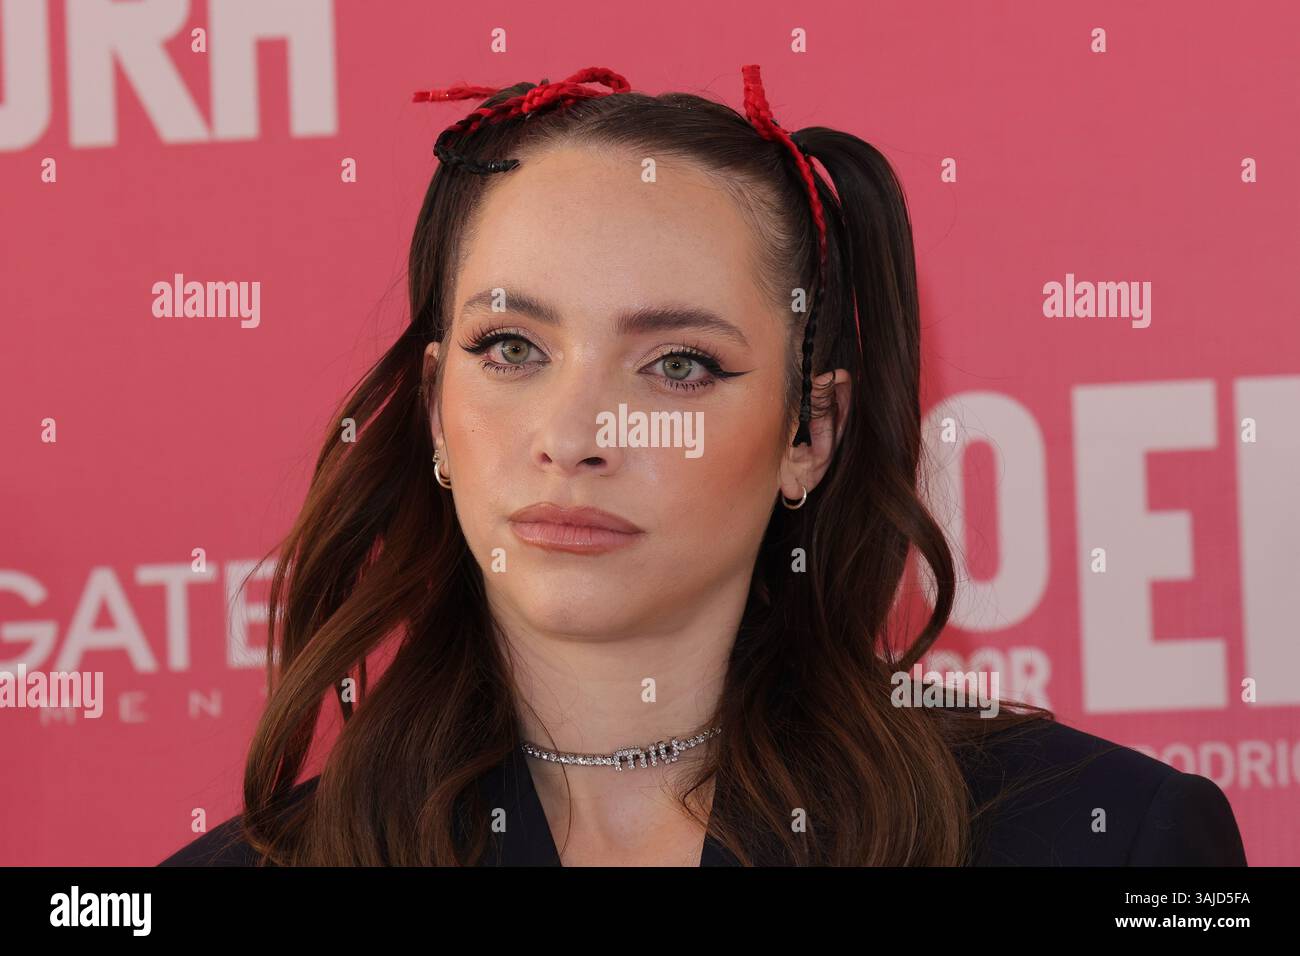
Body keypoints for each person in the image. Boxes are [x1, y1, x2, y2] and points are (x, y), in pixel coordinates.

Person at [159, 65, 1247, 867]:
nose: (574, 435)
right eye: (512, 349)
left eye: (677, 364)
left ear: (808, 434)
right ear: (438, 411)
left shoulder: (1108, 841)